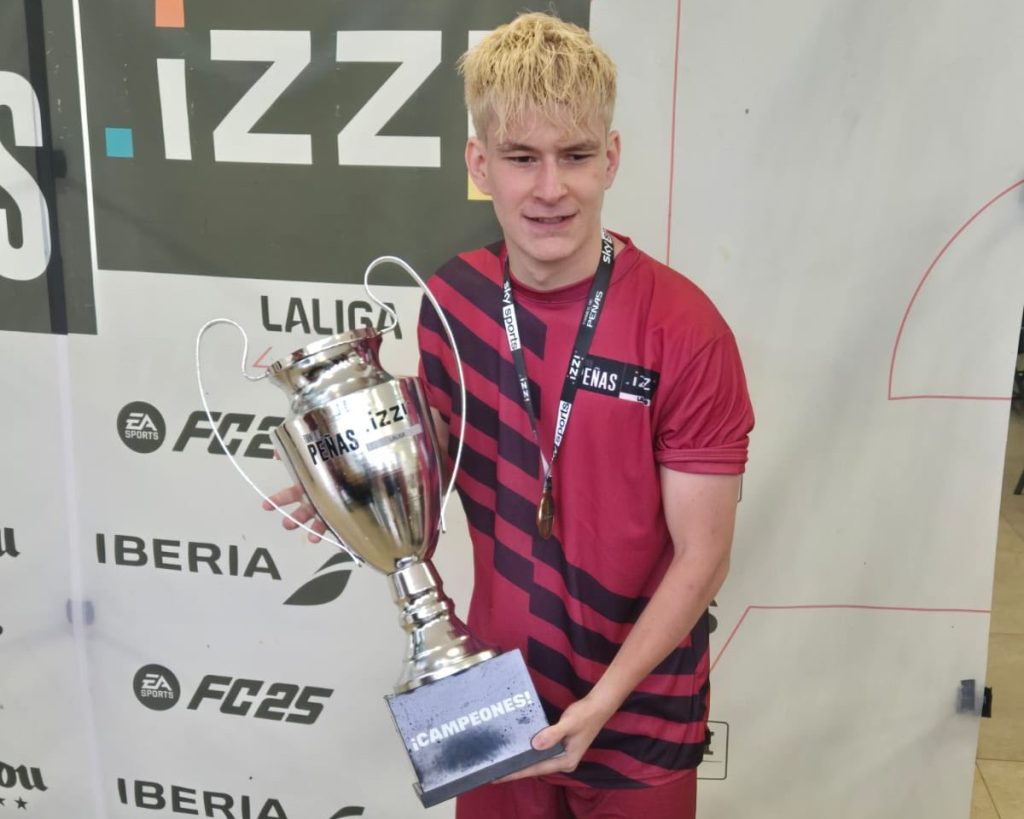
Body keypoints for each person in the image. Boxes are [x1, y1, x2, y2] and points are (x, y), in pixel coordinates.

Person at [267, 12, 753, 818]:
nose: (550, 188)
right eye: (522, 157)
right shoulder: (449, 302)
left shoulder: (683, 327)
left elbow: (703, 555)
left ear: (612, 158)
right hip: (494, 697)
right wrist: (353, 485)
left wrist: (601, 704)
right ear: (480, 164)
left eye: (576, 156)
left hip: (641, 716)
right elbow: (431, 471)